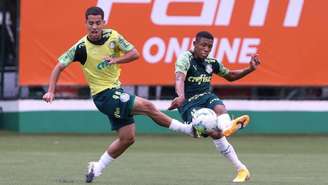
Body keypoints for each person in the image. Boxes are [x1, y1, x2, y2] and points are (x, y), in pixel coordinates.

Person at [42, 7, 202, 183]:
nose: (94, 27)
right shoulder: (81, 48)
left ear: (104, 22)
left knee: (127, 138)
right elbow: (59, 66)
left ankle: (97, 167)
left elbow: (135, 53)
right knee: (148, 106)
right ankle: (188, 129)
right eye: (90, 23)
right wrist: (51, 90)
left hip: (116, 91)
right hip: (104, 96)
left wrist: (116, 60)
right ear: (85, 23)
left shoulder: (113, 36)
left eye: (98, 23)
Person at [168, 31, 260, 182]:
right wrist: (181, 95)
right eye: (203, 45)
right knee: (215, 133)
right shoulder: (185, 58)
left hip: (206, 96)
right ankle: (240, 165)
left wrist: (249, 69)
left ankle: (229, 132)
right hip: (189, 104)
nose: (206, 49)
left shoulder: (212, 63)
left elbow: (230, 76)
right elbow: (179, 78)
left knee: (220, 109)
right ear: (194, 44)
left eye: (209, 46)